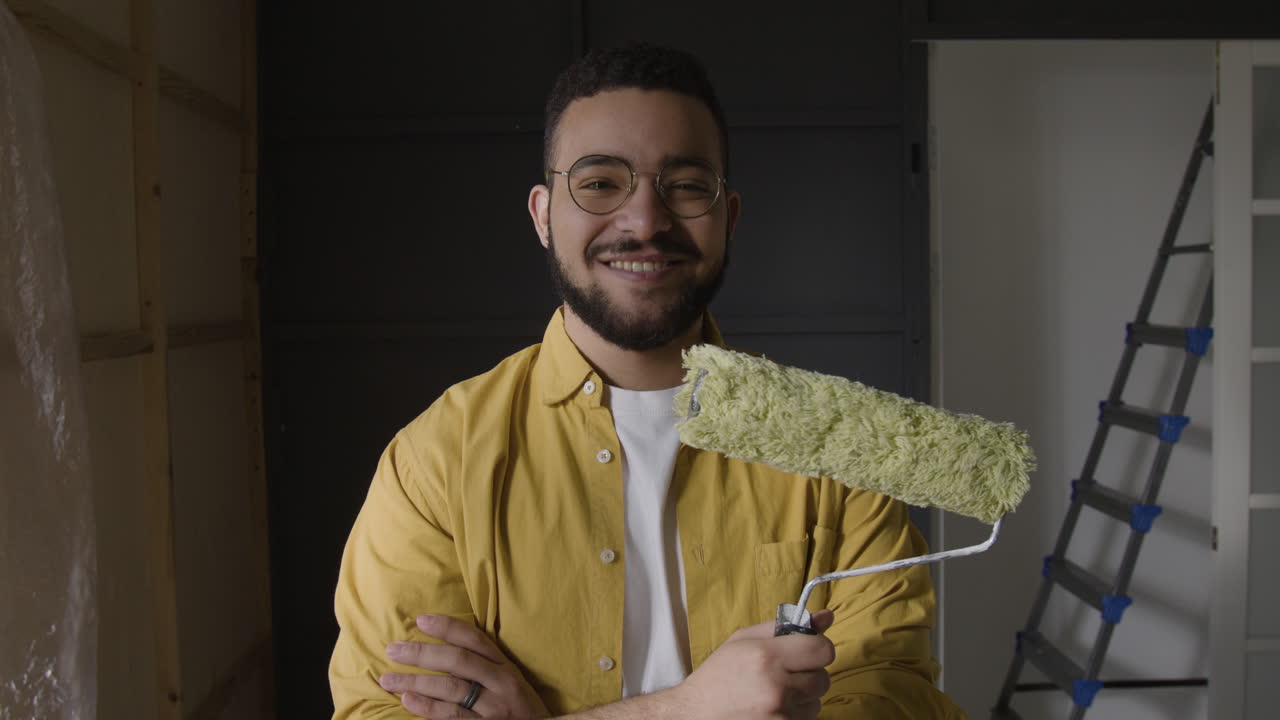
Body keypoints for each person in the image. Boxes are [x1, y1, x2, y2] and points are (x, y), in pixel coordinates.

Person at [329, 44, 967, 720]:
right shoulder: (437, 460)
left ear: (730, 218)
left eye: (687, 185)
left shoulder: (835, 448)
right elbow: (380, 709)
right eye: (601, 182)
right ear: (543, 215)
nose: (644, 222)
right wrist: (688, 708)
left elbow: (897, 696)